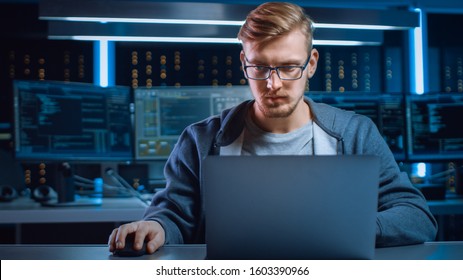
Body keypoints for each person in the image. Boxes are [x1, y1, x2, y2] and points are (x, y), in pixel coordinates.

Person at [108, 2, 438, 255]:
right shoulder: (201, 140)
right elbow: (175, 216)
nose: (273, 84)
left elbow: (416, 217)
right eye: (261, 67)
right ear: (243, 63)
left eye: (288, 67)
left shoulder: (355, 133)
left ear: (311, 64)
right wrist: (156, 227)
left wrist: (352, 228)